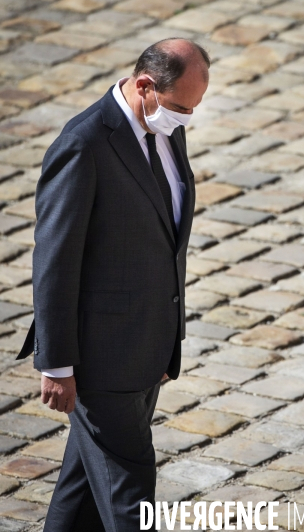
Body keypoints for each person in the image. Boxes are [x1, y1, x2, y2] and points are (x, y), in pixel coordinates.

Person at [16, 38, 210, 531]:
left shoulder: (162, 127)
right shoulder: (83, 144)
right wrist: (56, 364)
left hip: (148, 347)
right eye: (181, 108)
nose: (186, 120)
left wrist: (167, 338)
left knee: (81, 489)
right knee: (130, 495)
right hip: (102, 361)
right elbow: (56, 259)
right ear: (144, 85)